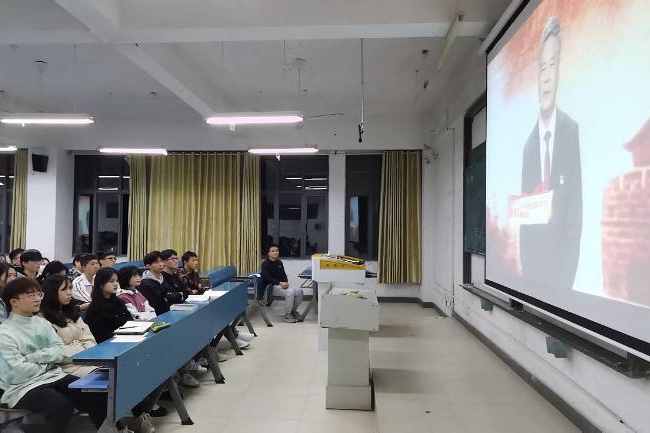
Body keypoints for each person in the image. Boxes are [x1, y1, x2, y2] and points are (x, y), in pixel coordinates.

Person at [520, 16, 582, 292]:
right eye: (542, 67)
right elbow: (525, 226)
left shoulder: (571, 132)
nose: (546, 76)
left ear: (559, 73)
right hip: (533, 279)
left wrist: (564, 285)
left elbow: (575, 218)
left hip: (563, 282)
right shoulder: (528, 147)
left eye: (552, 65)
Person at [0, 277, 108, 433]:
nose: (37, 299)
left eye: (39, 294)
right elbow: (16, 372)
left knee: (95, 393)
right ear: (14, 302)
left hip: (55, 375)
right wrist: (48, 363)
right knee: (60, 405)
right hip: (23, 386)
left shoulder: (41, 323)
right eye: (31, 295)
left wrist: (32, 358)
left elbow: (59, 351)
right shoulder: (5, 332)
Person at [40, 275, 97, 377]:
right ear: (52, 292)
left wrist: (81, 350)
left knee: (117, 371)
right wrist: (80, 347)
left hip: (88, 360)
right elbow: (57, 353)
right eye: (64, 289)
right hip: (65, 368)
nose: (69, 293)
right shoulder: (42, 319)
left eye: (70, 288)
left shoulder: (71, 313)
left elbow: (89, 338)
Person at [84, 268, 132, 344]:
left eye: (117, 281)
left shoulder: (118, 301)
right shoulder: (95, 308)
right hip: (110, 344)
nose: (116, 284)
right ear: (101, 284)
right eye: (111, 281)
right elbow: (102, 336)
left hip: (128, 338)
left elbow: (129, 320)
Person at [261, 243, 303, 323]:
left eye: (277, 251)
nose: (275, 252)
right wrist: (280, 283)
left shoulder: (279, 262)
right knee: (290, 292)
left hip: (280, 285)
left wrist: (286, 283)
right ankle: (287, 315)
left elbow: (283, 275)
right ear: (269, 253)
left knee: (299, 291)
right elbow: (266, 278)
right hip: (270, 287)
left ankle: (293, 312)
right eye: (273, 251)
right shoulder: (265, 263)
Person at [138, 251, 184, 315]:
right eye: (156, 262)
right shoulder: (145, 283)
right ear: (148, 266)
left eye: (161, 261)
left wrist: (170, 296)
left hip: (169, 310)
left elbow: (174, 294)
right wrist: (173, 296)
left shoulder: (162, 277)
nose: (161, 264)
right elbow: (160, 303)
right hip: (156, 314)